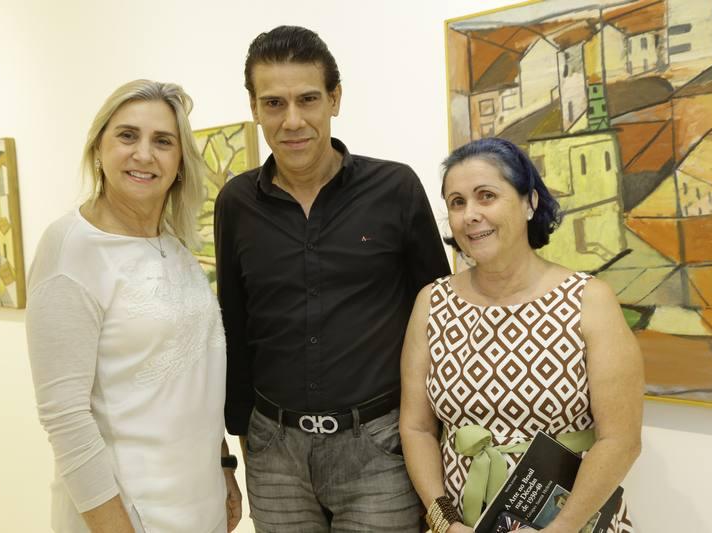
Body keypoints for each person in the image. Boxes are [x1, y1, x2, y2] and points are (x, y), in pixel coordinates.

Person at [214, 25, 451, 532]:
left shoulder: (395, 188)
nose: (292, 121)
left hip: (379, 449)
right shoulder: (235, 203)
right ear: (254, 107)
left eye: (308, 99)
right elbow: (233, 323)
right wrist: (239, 445)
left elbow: (440, 319)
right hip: (274, 454)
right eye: (274, 104)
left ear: (335, 99)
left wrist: (434, 449)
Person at [26, 79, 241, 533]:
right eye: (127, 136)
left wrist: (224, 465)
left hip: (199, 506)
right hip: (125, 514)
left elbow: (195, 373)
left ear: (179, 162)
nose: (144, 154)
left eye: (163, 141)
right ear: (98, 148)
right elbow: (65, 418)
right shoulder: (70, 250)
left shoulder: (174, 246)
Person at [400, 138, 643, 533]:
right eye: (457, 203)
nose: (470, 215)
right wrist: (445, 521)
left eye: (486, 196)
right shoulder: (432, 303)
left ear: (529, 202)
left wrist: (562, 528)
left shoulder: (588, 300)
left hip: (573, 524)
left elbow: (621, 440)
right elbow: (417, 428)